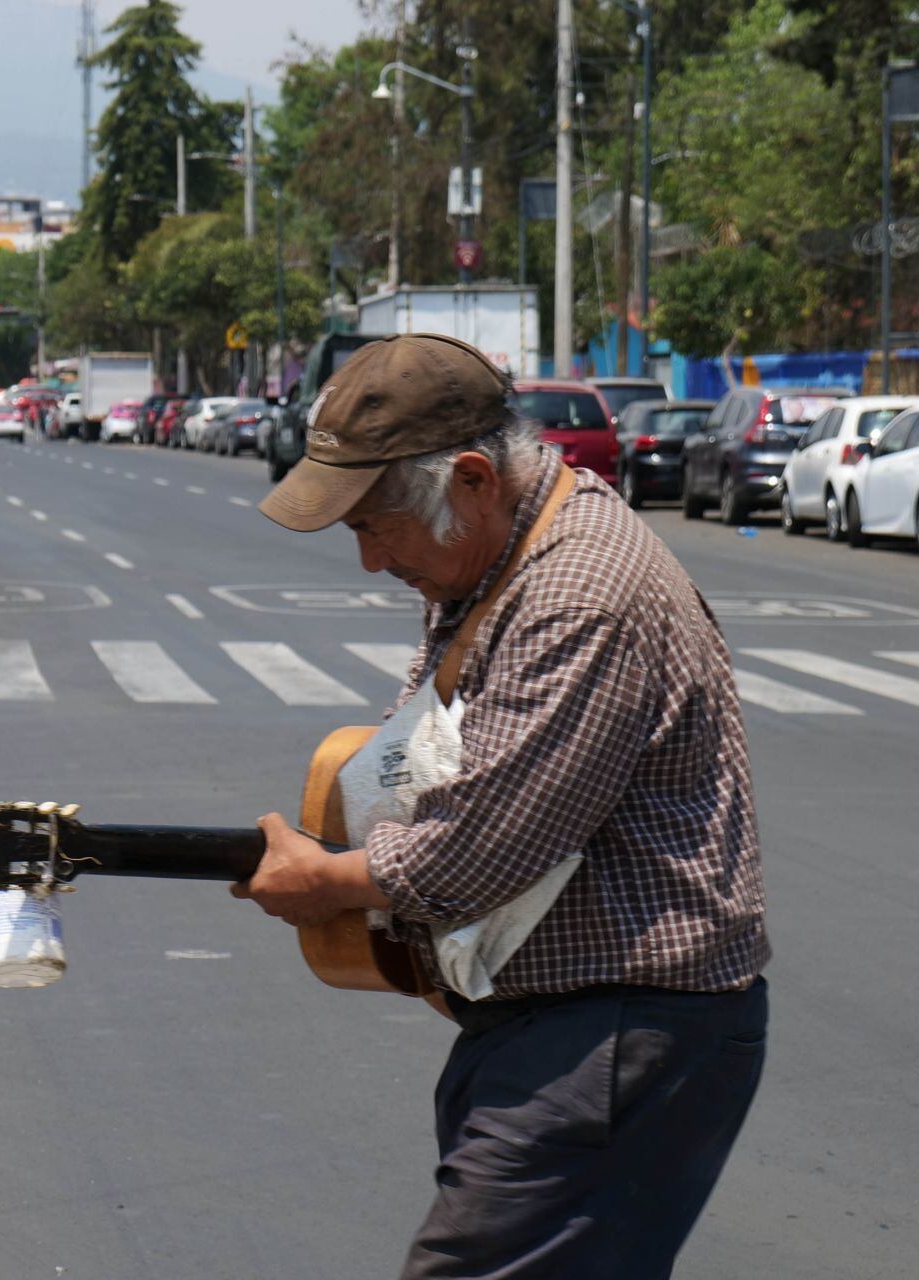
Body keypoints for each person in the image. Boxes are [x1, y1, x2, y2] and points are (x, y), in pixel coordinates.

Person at [231, 333, 768, 1280]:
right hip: (559, 1025)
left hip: (616, 1030)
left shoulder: (578, 594)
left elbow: (472, 855)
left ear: (473, 476)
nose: (368, 560)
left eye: (374, 526)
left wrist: (329, 882)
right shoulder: (503, 554)